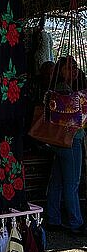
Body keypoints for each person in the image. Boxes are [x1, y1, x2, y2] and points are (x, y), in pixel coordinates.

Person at [46, 56, 87, 237]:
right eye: (70, 67)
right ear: (61, 70)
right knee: (72, 183)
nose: (74, 70)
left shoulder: (56, 87)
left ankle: (53, 218)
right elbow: (75, 118)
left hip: (58, 142)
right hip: (70, 141)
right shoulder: (65, 90)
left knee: (57, 181)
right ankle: (75, 222)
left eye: (75, 67)